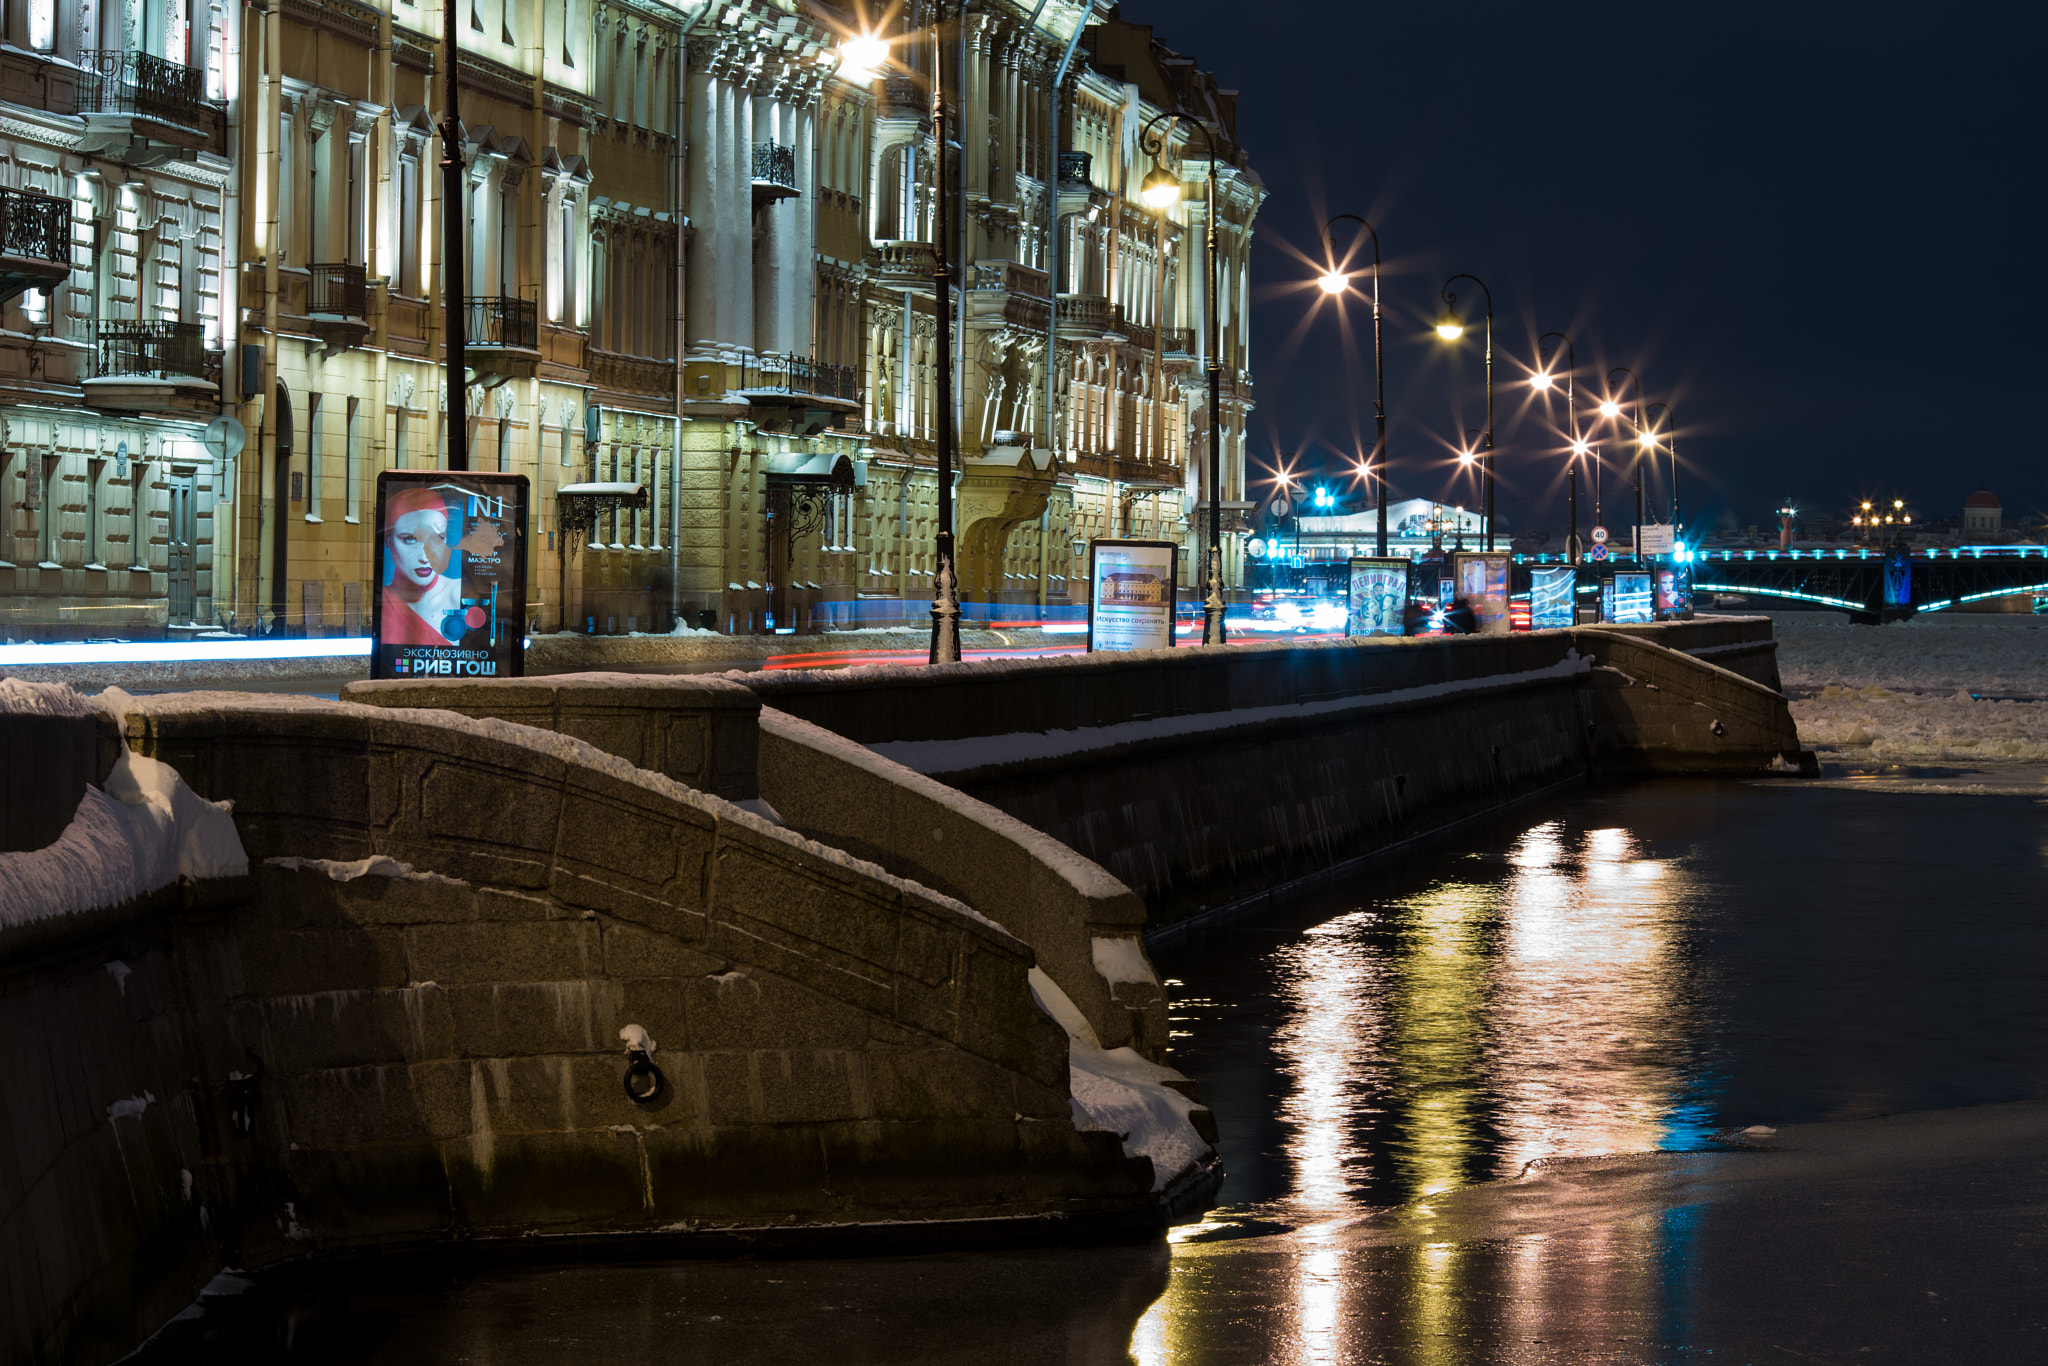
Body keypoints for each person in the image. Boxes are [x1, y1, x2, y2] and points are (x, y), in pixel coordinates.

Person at [380, 487, 465, 646]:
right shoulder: (382, 604)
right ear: (388, 541)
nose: (425, 557)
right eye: (410, 539)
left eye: (437, 539)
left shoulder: (461, 594)